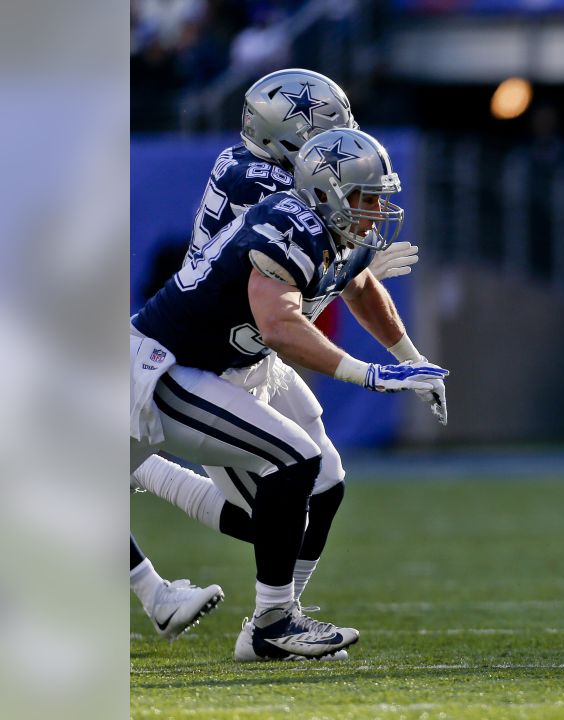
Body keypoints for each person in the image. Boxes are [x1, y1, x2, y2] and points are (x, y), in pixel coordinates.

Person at [129, 127, 448, 661]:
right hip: (171, 366)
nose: (378, 210)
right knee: (288, 473)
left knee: (322, 485)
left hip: (229, 365)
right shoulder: (284, 219)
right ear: (327, 191)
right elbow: (279, 323)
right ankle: (271, 624)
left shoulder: (328, 223)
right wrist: (369, 375)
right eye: (367, 198)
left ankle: (276, 619)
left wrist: (412, 360)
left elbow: (359, 285)